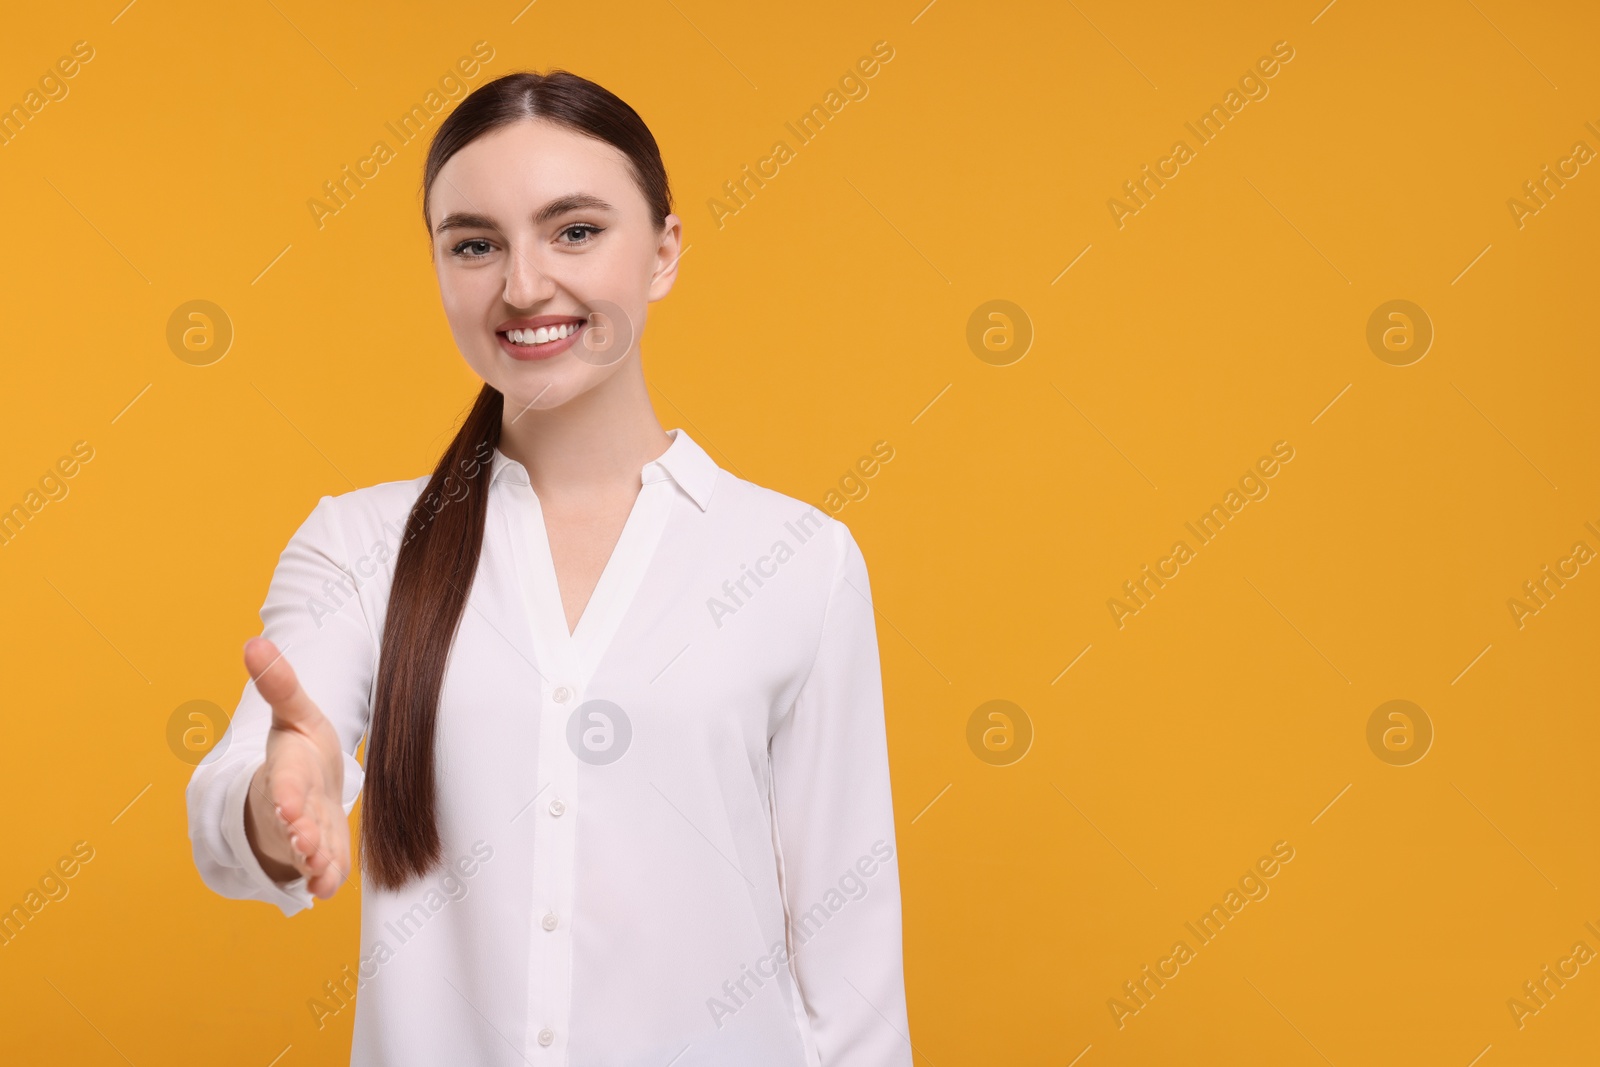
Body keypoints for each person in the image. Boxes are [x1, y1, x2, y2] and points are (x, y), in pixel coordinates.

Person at [184, 69, 910, 1066]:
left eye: (574, 231)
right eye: (476, 244)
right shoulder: (359, 546)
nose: (523, 285)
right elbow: (243, 791)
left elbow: (850, 960)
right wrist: (283, 794)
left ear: (663, 253)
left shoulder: (796, 561)